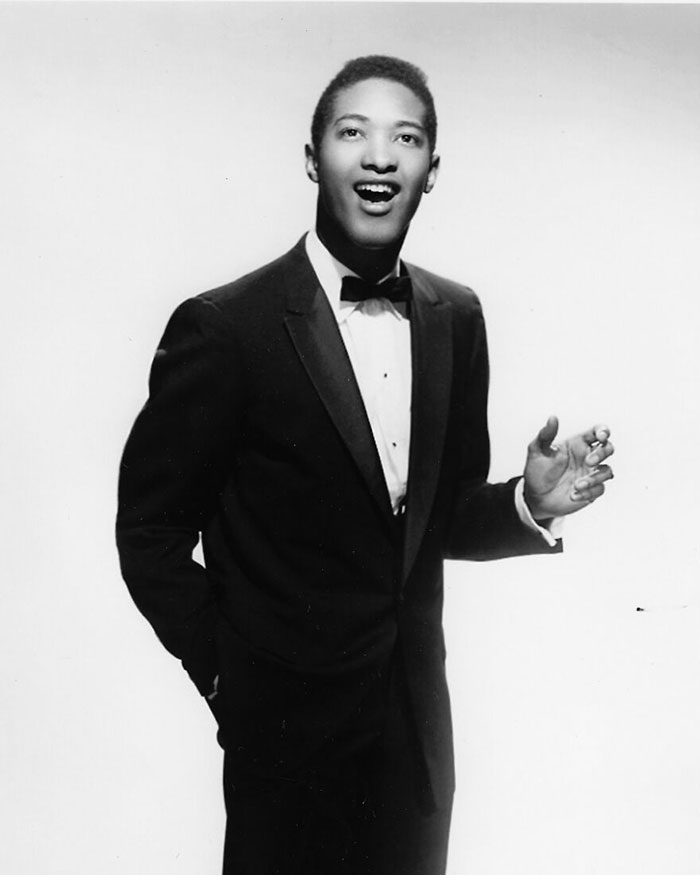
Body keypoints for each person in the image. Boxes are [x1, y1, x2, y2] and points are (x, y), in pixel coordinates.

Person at [116, 55, 614, 875]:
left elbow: (432, 520)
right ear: (313, 158)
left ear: (431, 171)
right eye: (354, 133)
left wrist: (527, 504)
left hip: (415, 751)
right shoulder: (226, 327)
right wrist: (227, 675)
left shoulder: (457, 316)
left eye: (405, 138)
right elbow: (149, 533)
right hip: (283, 747)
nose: (380, 157)